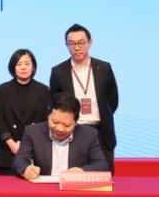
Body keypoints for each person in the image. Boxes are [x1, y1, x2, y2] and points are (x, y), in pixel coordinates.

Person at [48, 23, 120, 172]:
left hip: (101, 131)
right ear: (66, 45)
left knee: (103, 176)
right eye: (72, 43)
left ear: (90, 43)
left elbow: (112, 100)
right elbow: (55, 104)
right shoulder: (58, 71)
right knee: (72, 175)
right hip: (73, 131)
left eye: (81, 43)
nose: (77, 47)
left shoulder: (104, 68)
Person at [12, 93, 107, 179]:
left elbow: (102, 164)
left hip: (73, 188)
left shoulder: (89, 135)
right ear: (48, 116)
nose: (60, 129)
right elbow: (19, 160)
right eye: (55, 122)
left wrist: (82, 171)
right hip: (43, 188)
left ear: (75, 123)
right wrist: (26, 169)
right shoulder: (33, 132)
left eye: (66, 125)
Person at [0, 48, 51, 176]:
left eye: (27, 63)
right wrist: (12, 144)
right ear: (13, 67)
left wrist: (28, 146)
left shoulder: (43, 90)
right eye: (19, 64)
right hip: (8, 151)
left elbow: (46, 121)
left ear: (33, 67)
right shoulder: (2, 90)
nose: (23, 67)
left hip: (35, 151)